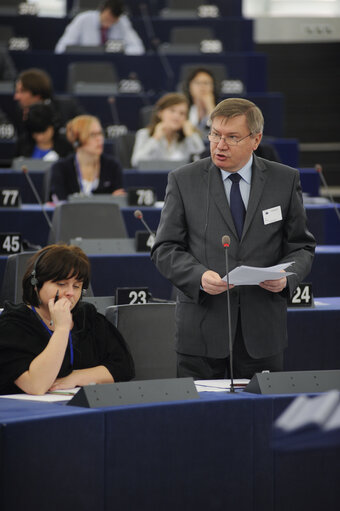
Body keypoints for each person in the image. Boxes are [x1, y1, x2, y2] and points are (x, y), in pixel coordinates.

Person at [151, 98, 316, 380]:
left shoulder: (284, 180)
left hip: (262, 334)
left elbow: (301, 247)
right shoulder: (184, 180)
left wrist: (286, 277)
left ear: (256, 139)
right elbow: (165, 249)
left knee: (262, 420)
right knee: (199, 422)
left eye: (231, 137)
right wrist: (199, 276)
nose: (219, 144)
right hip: (201, 333)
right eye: (214, 134)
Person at [0, 244, 135, 395]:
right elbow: (36, 386)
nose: (70, 293)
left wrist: (75, 377)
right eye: (61, 284)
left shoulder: (87, 318)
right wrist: (62, 329)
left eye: (77, 286)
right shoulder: (12, 325)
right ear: (36, 284)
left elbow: (122, 367)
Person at [49, 114, 125, 201]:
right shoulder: (61, 168)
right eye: (93, 135)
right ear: (77, 141)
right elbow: (60, 203)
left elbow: (118, 202)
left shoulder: (113, 166)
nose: (99, 139)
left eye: (100, 134)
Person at [131, 92, 205, 168]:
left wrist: (190, 135)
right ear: (160, 113)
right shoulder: (144, 134)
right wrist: (155, 138)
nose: (176, 116)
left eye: (182, 113)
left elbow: (200, 161)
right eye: (172, 111)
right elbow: (136, 162)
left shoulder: (187, 137)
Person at [55, 0, 145, 55]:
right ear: (102, 10)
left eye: (113, 21)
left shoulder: (122, 22)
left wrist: (121, 51)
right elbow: (61, 48)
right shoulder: (82, 19)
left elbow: (138, 48)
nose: (108, 24)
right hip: (85, 64)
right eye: (107, 19)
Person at [13, 68, 83, 134]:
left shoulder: (66, 107)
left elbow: (88, 126)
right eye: (17, 92)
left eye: (22, 92)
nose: (16, 97)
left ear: (37, 94)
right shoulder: (20, 112)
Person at [182, 67, 218, 136]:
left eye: (206, 83)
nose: (202, 87)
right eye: (197, 83)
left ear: (213, 87)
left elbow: (218, 132)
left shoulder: (222, 110)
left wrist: (210, 107)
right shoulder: (183, 109)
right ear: (189, 87)